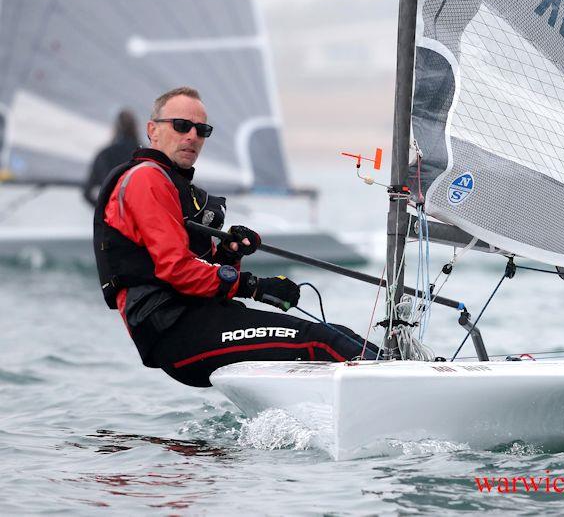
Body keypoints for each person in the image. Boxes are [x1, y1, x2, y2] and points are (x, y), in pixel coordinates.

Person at [93, 87, 378, 387]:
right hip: (175, 331)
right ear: (152, 130)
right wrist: (253, 287)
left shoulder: (171, 183)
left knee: (340, 336)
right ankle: (395, 388)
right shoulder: (146, 179)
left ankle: (402, 370)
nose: (192, 136)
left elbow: (198, 270)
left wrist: (230, 255)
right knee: (321, 342)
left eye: (202, 130)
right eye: (181, 126)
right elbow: (176, 269)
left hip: (196, 319)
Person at [83, 109, 141, 206]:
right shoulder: (146, 155)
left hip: (112, 216)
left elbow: (87, 193)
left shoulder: (104, 154)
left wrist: (104, 210)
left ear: (116, 128)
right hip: (139, 216)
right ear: (135, 128)